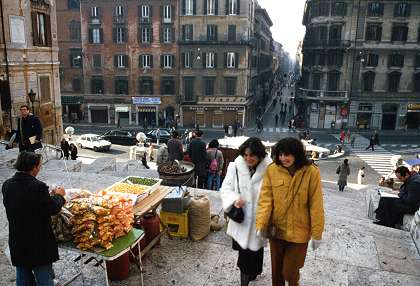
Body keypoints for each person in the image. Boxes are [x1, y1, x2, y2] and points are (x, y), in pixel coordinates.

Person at [256, 137, 324, 286]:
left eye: (287, 155)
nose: (283, 158)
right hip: (277, 230)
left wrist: (317, 233)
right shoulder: (272, 170)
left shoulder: (311, 172)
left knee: (289, 271)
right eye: (280, 155)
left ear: (296, 154)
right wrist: (261, 225)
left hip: (299, 232)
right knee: (277, 273)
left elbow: (316, 204)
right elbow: (266, 200)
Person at [2, 152, 66, 285]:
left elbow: (25, 203)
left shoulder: (7, 185)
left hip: (18, 240)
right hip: (37, 243)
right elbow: (53, 208)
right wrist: (60, 196)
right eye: (39, 166)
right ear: (34, 167)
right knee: (44, 278)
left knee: (22, 275)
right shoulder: (38, 187)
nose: (39, 169)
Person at [220, 138, 272, 286]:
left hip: (259, 220)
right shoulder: (235, 167)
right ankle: (245, 280)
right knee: (244, 256)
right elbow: (225, 189)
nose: (248, 158)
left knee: (256, 251)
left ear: (260, 155)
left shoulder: (270, 170)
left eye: (252, 155)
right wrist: (234, 199)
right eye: (246, 155)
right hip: (241, 220)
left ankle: (254, 272)